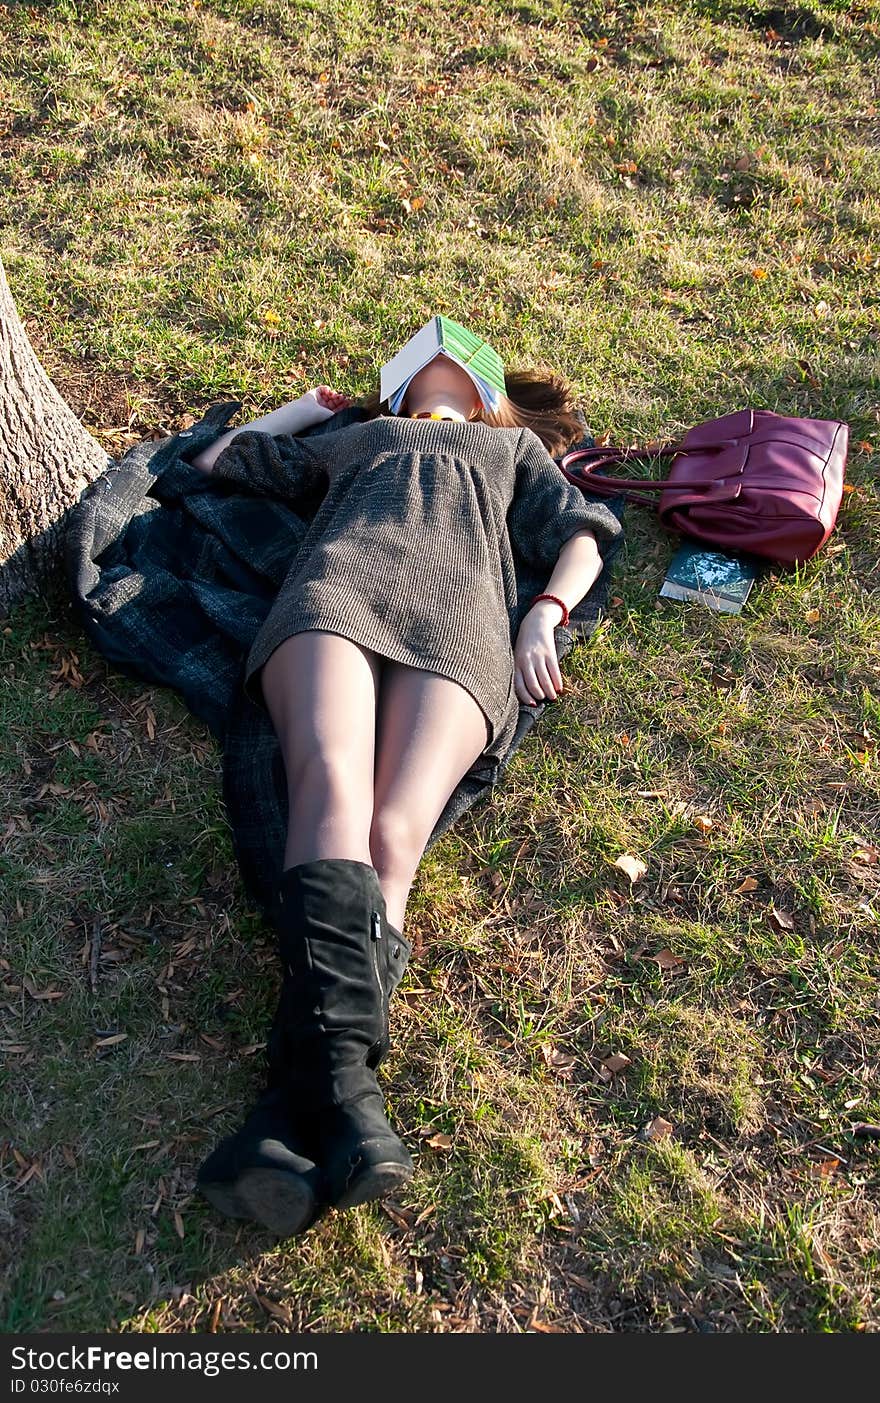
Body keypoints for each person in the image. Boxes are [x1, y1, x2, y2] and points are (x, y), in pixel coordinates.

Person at [189, 325, 624, 1238]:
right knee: (331, 793)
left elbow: (586, 532)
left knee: (395, 836)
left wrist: (545, 612)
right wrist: (310, 410)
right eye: (419, 359)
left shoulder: (514, 451)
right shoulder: (356, 437)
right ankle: (350, 1103)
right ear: (393, 387)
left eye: (463, 359)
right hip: (335, 596)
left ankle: (288, 1112)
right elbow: (228, 459)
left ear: (488, 388)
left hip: (464, 620)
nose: (440, 359)